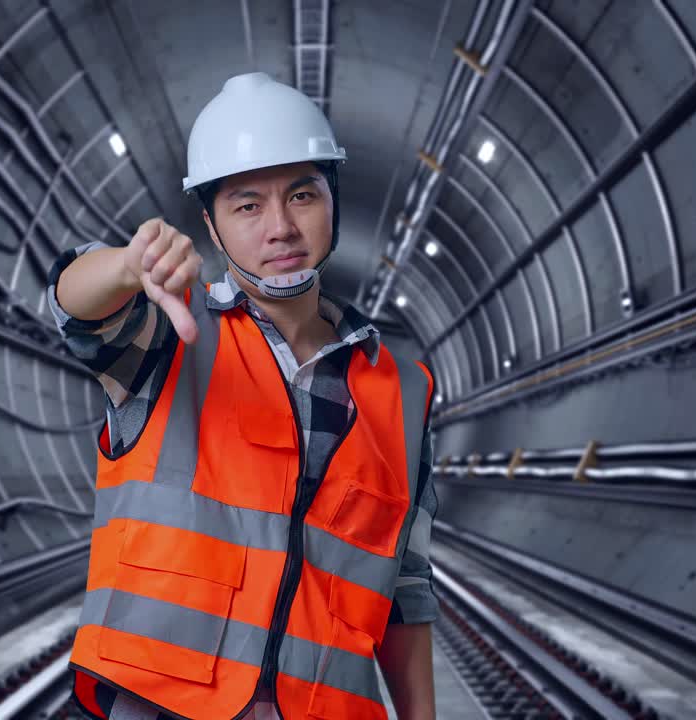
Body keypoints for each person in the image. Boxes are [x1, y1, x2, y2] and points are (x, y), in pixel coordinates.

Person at [50, 72, 438, 720]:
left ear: (334, 201)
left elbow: (406, 585)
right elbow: (76, 312)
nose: (281, 227)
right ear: (211, 223)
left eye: (302, 195)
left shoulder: (404, 391)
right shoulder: (169, 335)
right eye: (248, 205)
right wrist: (125, 267)